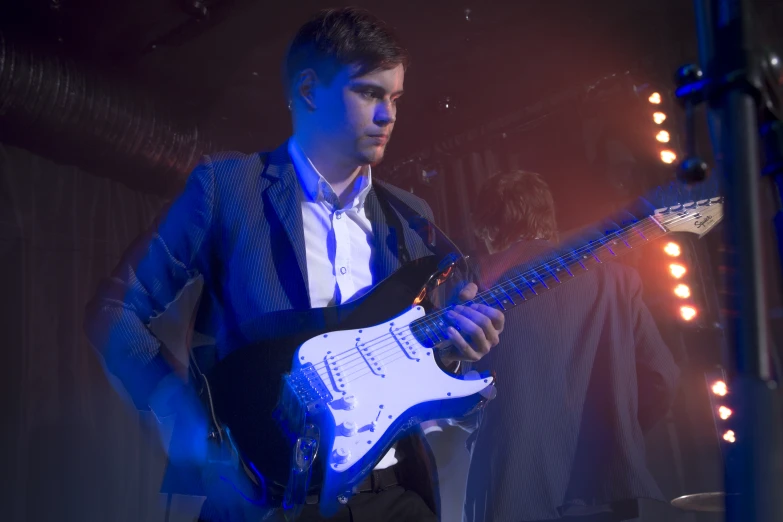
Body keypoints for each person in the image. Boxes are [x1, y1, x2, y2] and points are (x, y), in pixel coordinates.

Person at [83, 7, 504, 522]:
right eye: (369, 93)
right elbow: (115, 311)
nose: (389, 115)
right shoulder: (226, 189)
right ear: (309, 92)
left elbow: (413, 364)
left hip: (393, 497)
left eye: (394, 98)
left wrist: (455, 352)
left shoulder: (412, 219)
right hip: (271, 500)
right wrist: (185, 418)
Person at [463, 170, 680, 522]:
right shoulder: (617, 278)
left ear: (487, 229)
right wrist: (617, 428)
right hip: (611, 490)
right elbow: (662, 377)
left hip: (515, 493)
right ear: (548, 220)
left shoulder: (477, 283)